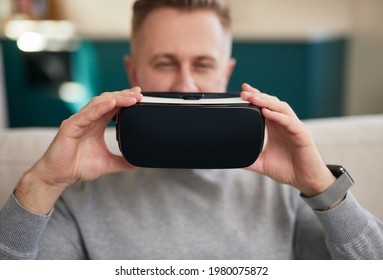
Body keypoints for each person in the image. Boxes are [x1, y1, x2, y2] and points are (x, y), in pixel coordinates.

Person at [0, 0, 382, 260]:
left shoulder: (284, 191)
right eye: (166, 63)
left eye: (202, 64)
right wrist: (43, 183)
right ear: (134, 73)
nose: (186, 84)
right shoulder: (79, 193)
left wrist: (320, 186)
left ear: (226, 72)